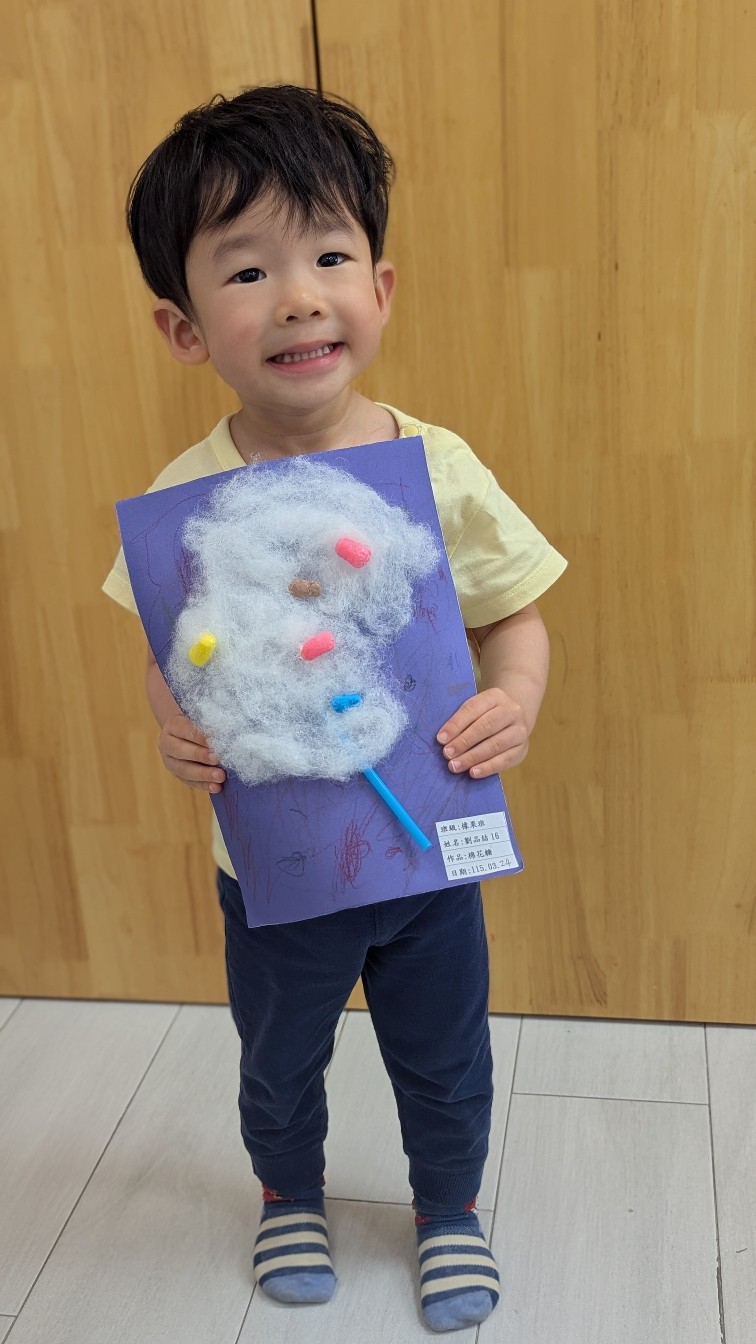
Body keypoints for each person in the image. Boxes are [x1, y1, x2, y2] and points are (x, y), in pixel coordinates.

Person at [103, 84, 567, 1333]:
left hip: (429, 852)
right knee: (278, 1053)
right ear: (184, 327)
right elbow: (168, 651)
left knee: (445, 1051)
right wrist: (175, 725)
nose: (300, 297)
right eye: (248, 271)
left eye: (328, 256)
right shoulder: (189, 501)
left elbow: (515, 614)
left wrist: (514, 699)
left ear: (381, 286)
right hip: (275, 870)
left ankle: (449, 1209)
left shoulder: (437, 470)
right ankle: (288, 1192)